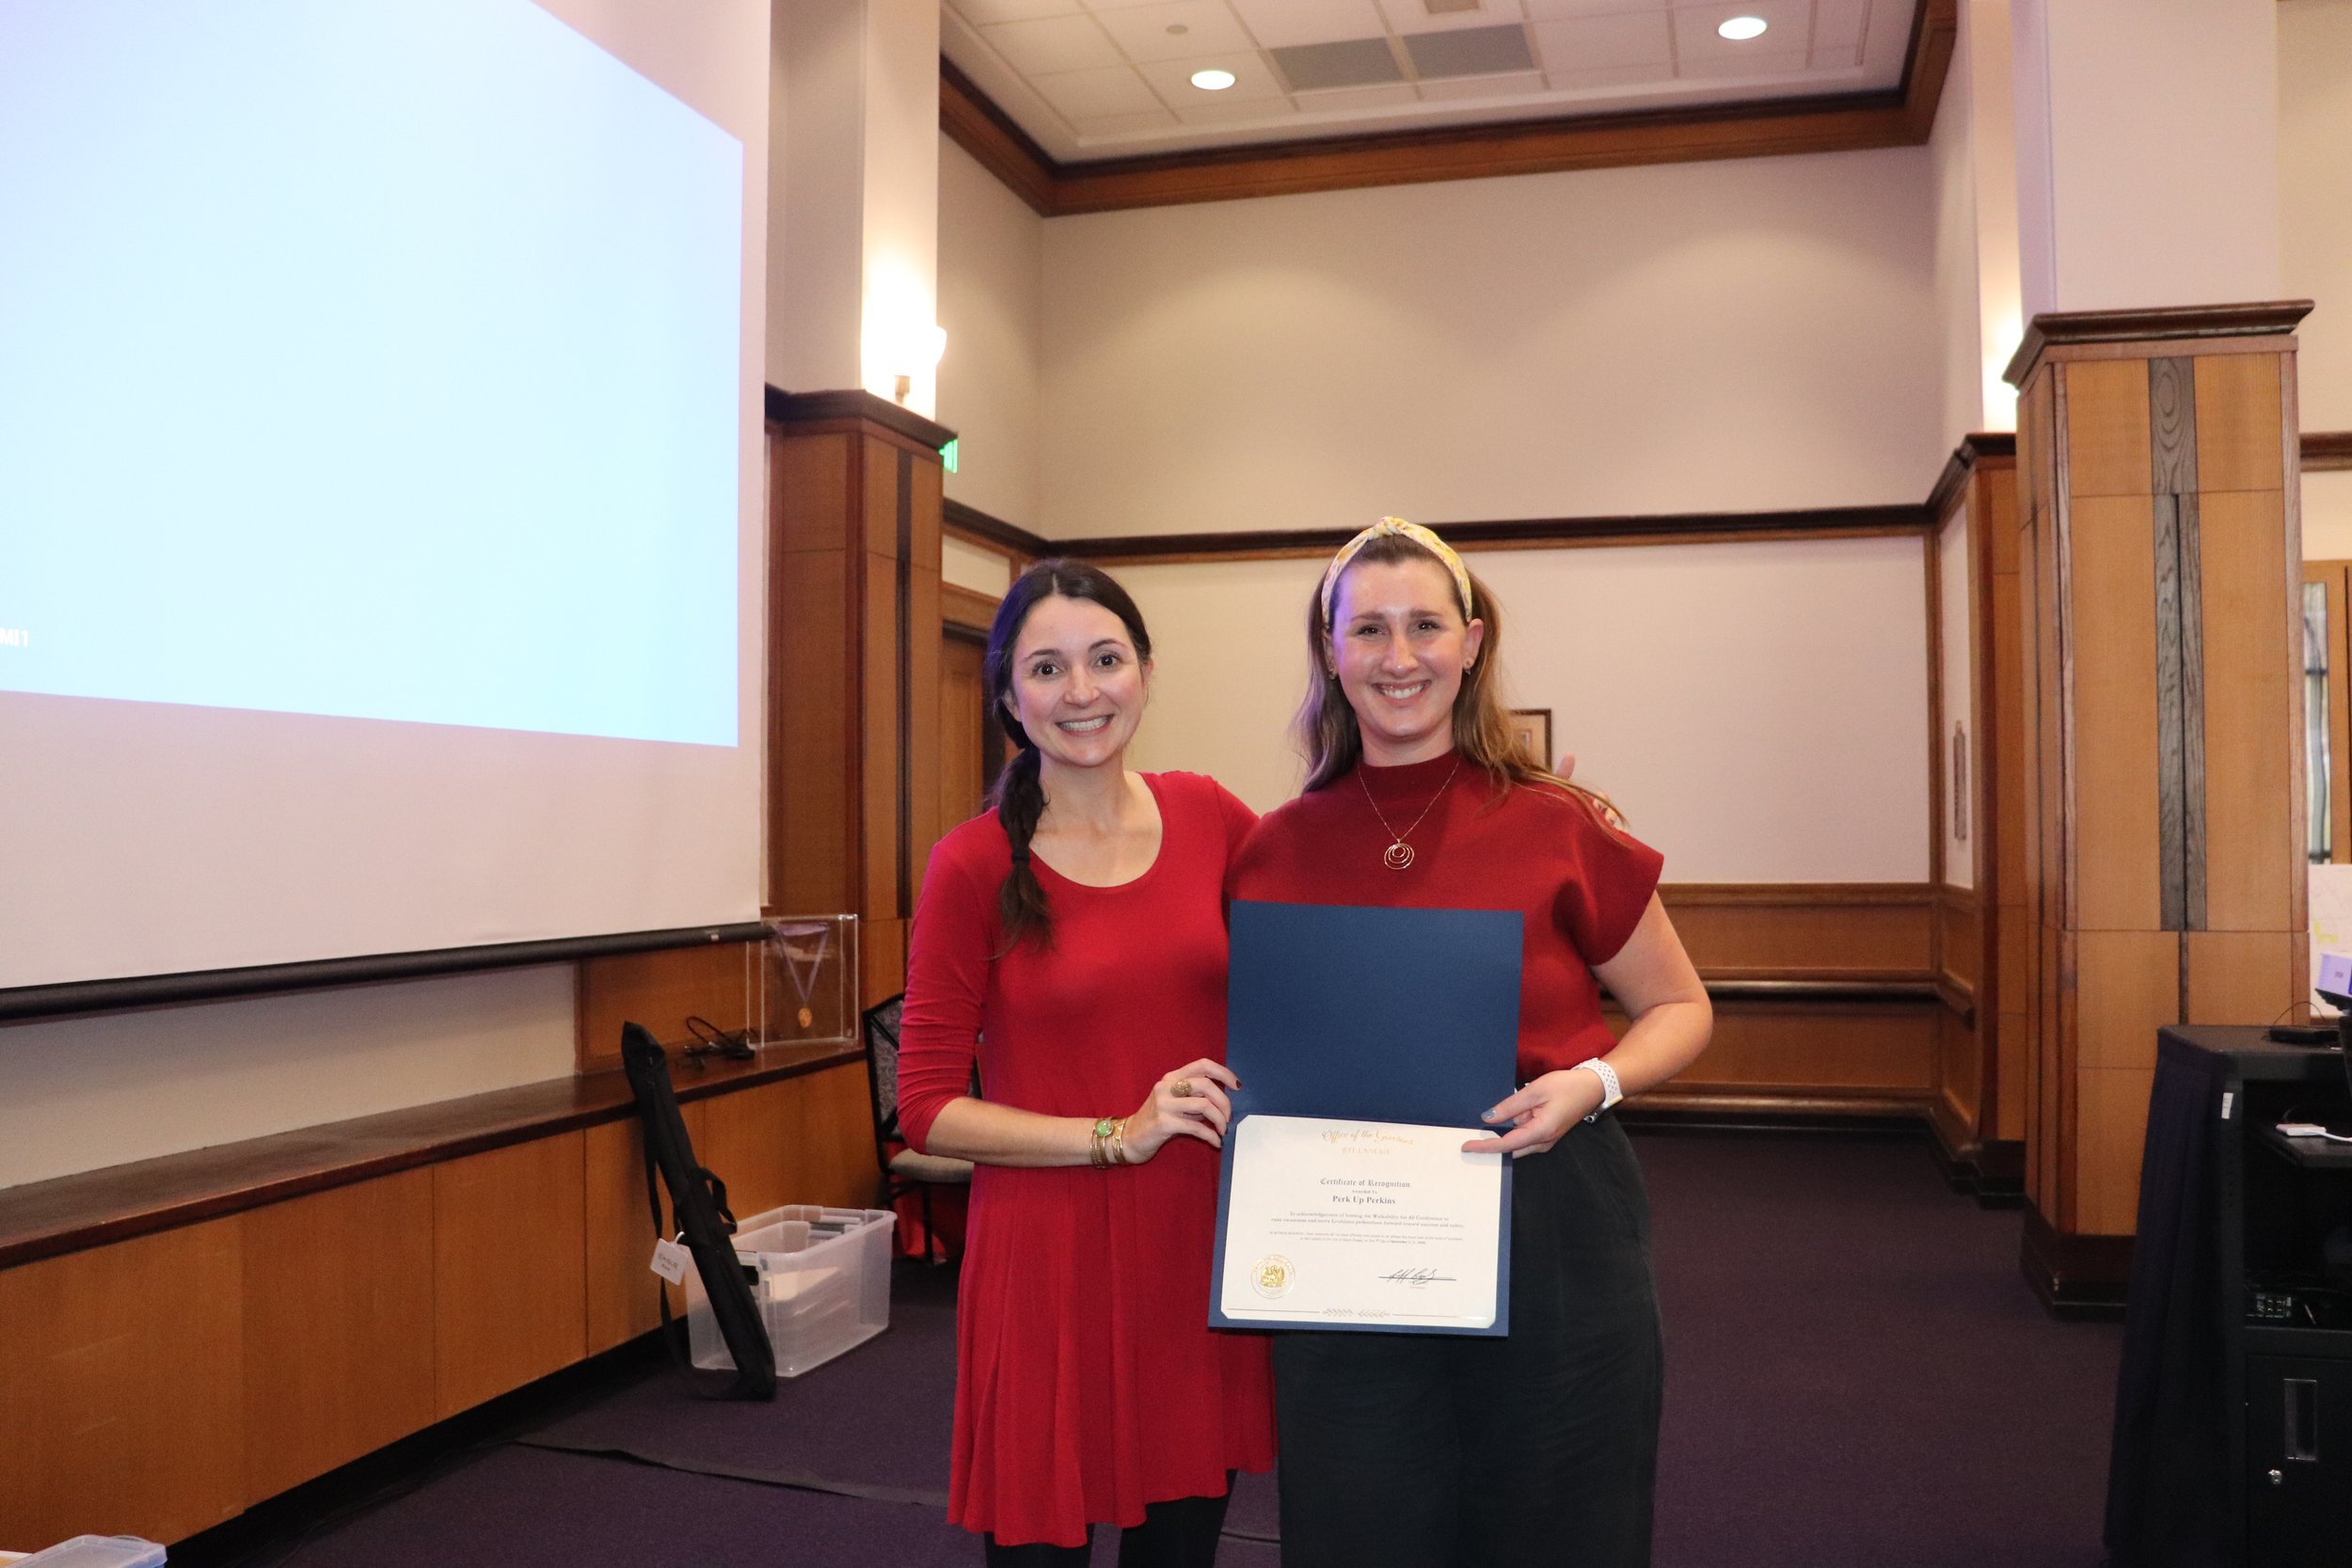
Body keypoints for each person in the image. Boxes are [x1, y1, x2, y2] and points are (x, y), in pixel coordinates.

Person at [1230, 518, 1712, 1568]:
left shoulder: (1558, 822)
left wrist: (1591, 1081)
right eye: (1368, 630)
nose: (1398, 658)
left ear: (1473, 641)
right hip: (1345, 1221)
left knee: (1559, 1505)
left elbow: (1680, 1006)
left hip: (1549, 1204)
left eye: (1424, 626)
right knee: (1362, 1512)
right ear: (1329, 649)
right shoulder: (1270, 846)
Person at [896, 558, 1277, 1566]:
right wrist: (1117, 1134)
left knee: (1179, 1552)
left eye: (1106, 659)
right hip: (1046, 1260)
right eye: (1049, 668)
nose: (1082, 691)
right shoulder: (973, 862)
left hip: (1191, 1245)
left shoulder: (1213, 817)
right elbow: (927, 1107)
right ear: (1009, 699)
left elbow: (1323, 942)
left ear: (1145, 672)